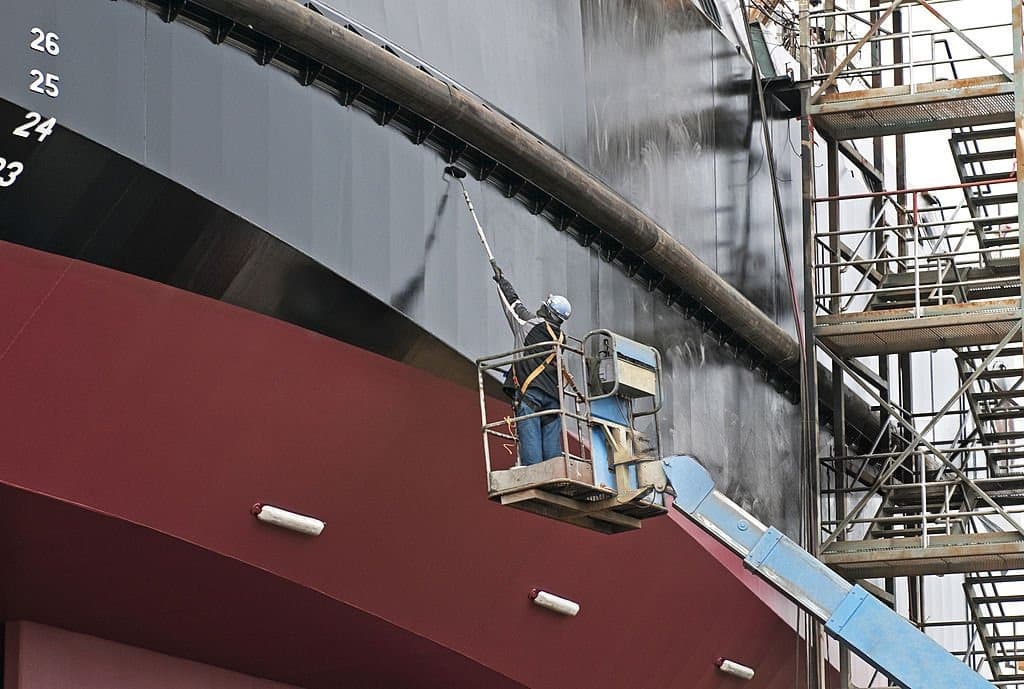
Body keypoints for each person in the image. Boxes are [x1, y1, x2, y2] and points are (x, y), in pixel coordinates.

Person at [493, 266, 572, 466]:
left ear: (548, 310)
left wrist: (502, 281)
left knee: (530, 442)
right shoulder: (561, 338)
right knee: (552, 448)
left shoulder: (530, 325)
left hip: (532, 394)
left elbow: (513, 305)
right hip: (553, 398)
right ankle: (555, 476)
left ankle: (534, 474)